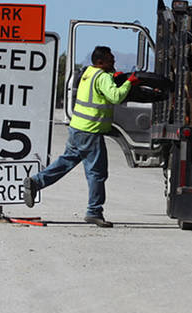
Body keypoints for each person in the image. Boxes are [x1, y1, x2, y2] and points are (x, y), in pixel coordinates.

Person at [24, 45, 137, 227]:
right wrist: (129, 82)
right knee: (97, 173)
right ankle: (94, 211)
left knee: (65, 163)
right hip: (90, 132)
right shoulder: (102, 77)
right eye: (110, 59)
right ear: (100, 62)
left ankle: (36, 182)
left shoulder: (89, 72)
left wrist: (114, 77)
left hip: (77, 128)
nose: (114, 61)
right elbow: (116, 97)